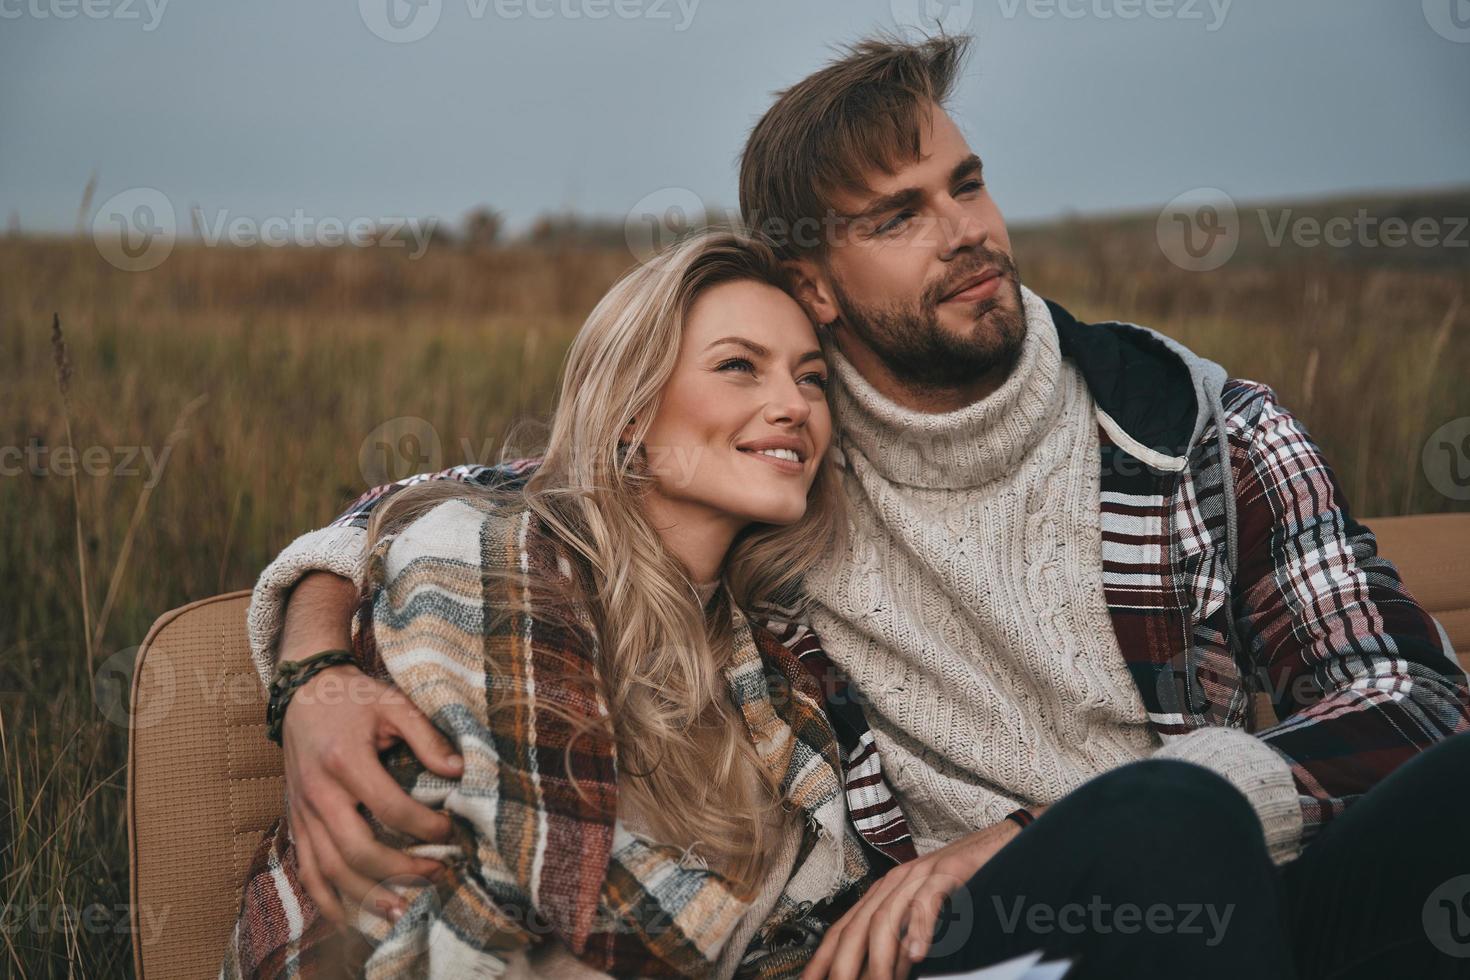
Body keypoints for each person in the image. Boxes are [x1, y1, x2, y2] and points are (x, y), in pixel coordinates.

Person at [241, 34, 1470, 980]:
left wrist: (1045, 822)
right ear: (813, 284)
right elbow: (490, 500)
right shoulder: (787, 471)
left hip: (1231, 874)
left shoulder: (1202, 430)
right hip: (977, 936)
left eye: (966, 184)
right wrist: (313, 664)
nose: (971, 234)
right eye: (900, 215)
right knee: (1165, 822)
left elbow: (1407, 703)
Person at [222, 230, 918, 978]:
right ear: (631, 410)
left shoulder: (776, 672)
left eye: (811, 379)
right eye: (739, 367)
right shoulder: (490, 562)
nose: (792, 405)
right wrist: (308, 666)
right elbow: (493, 906)